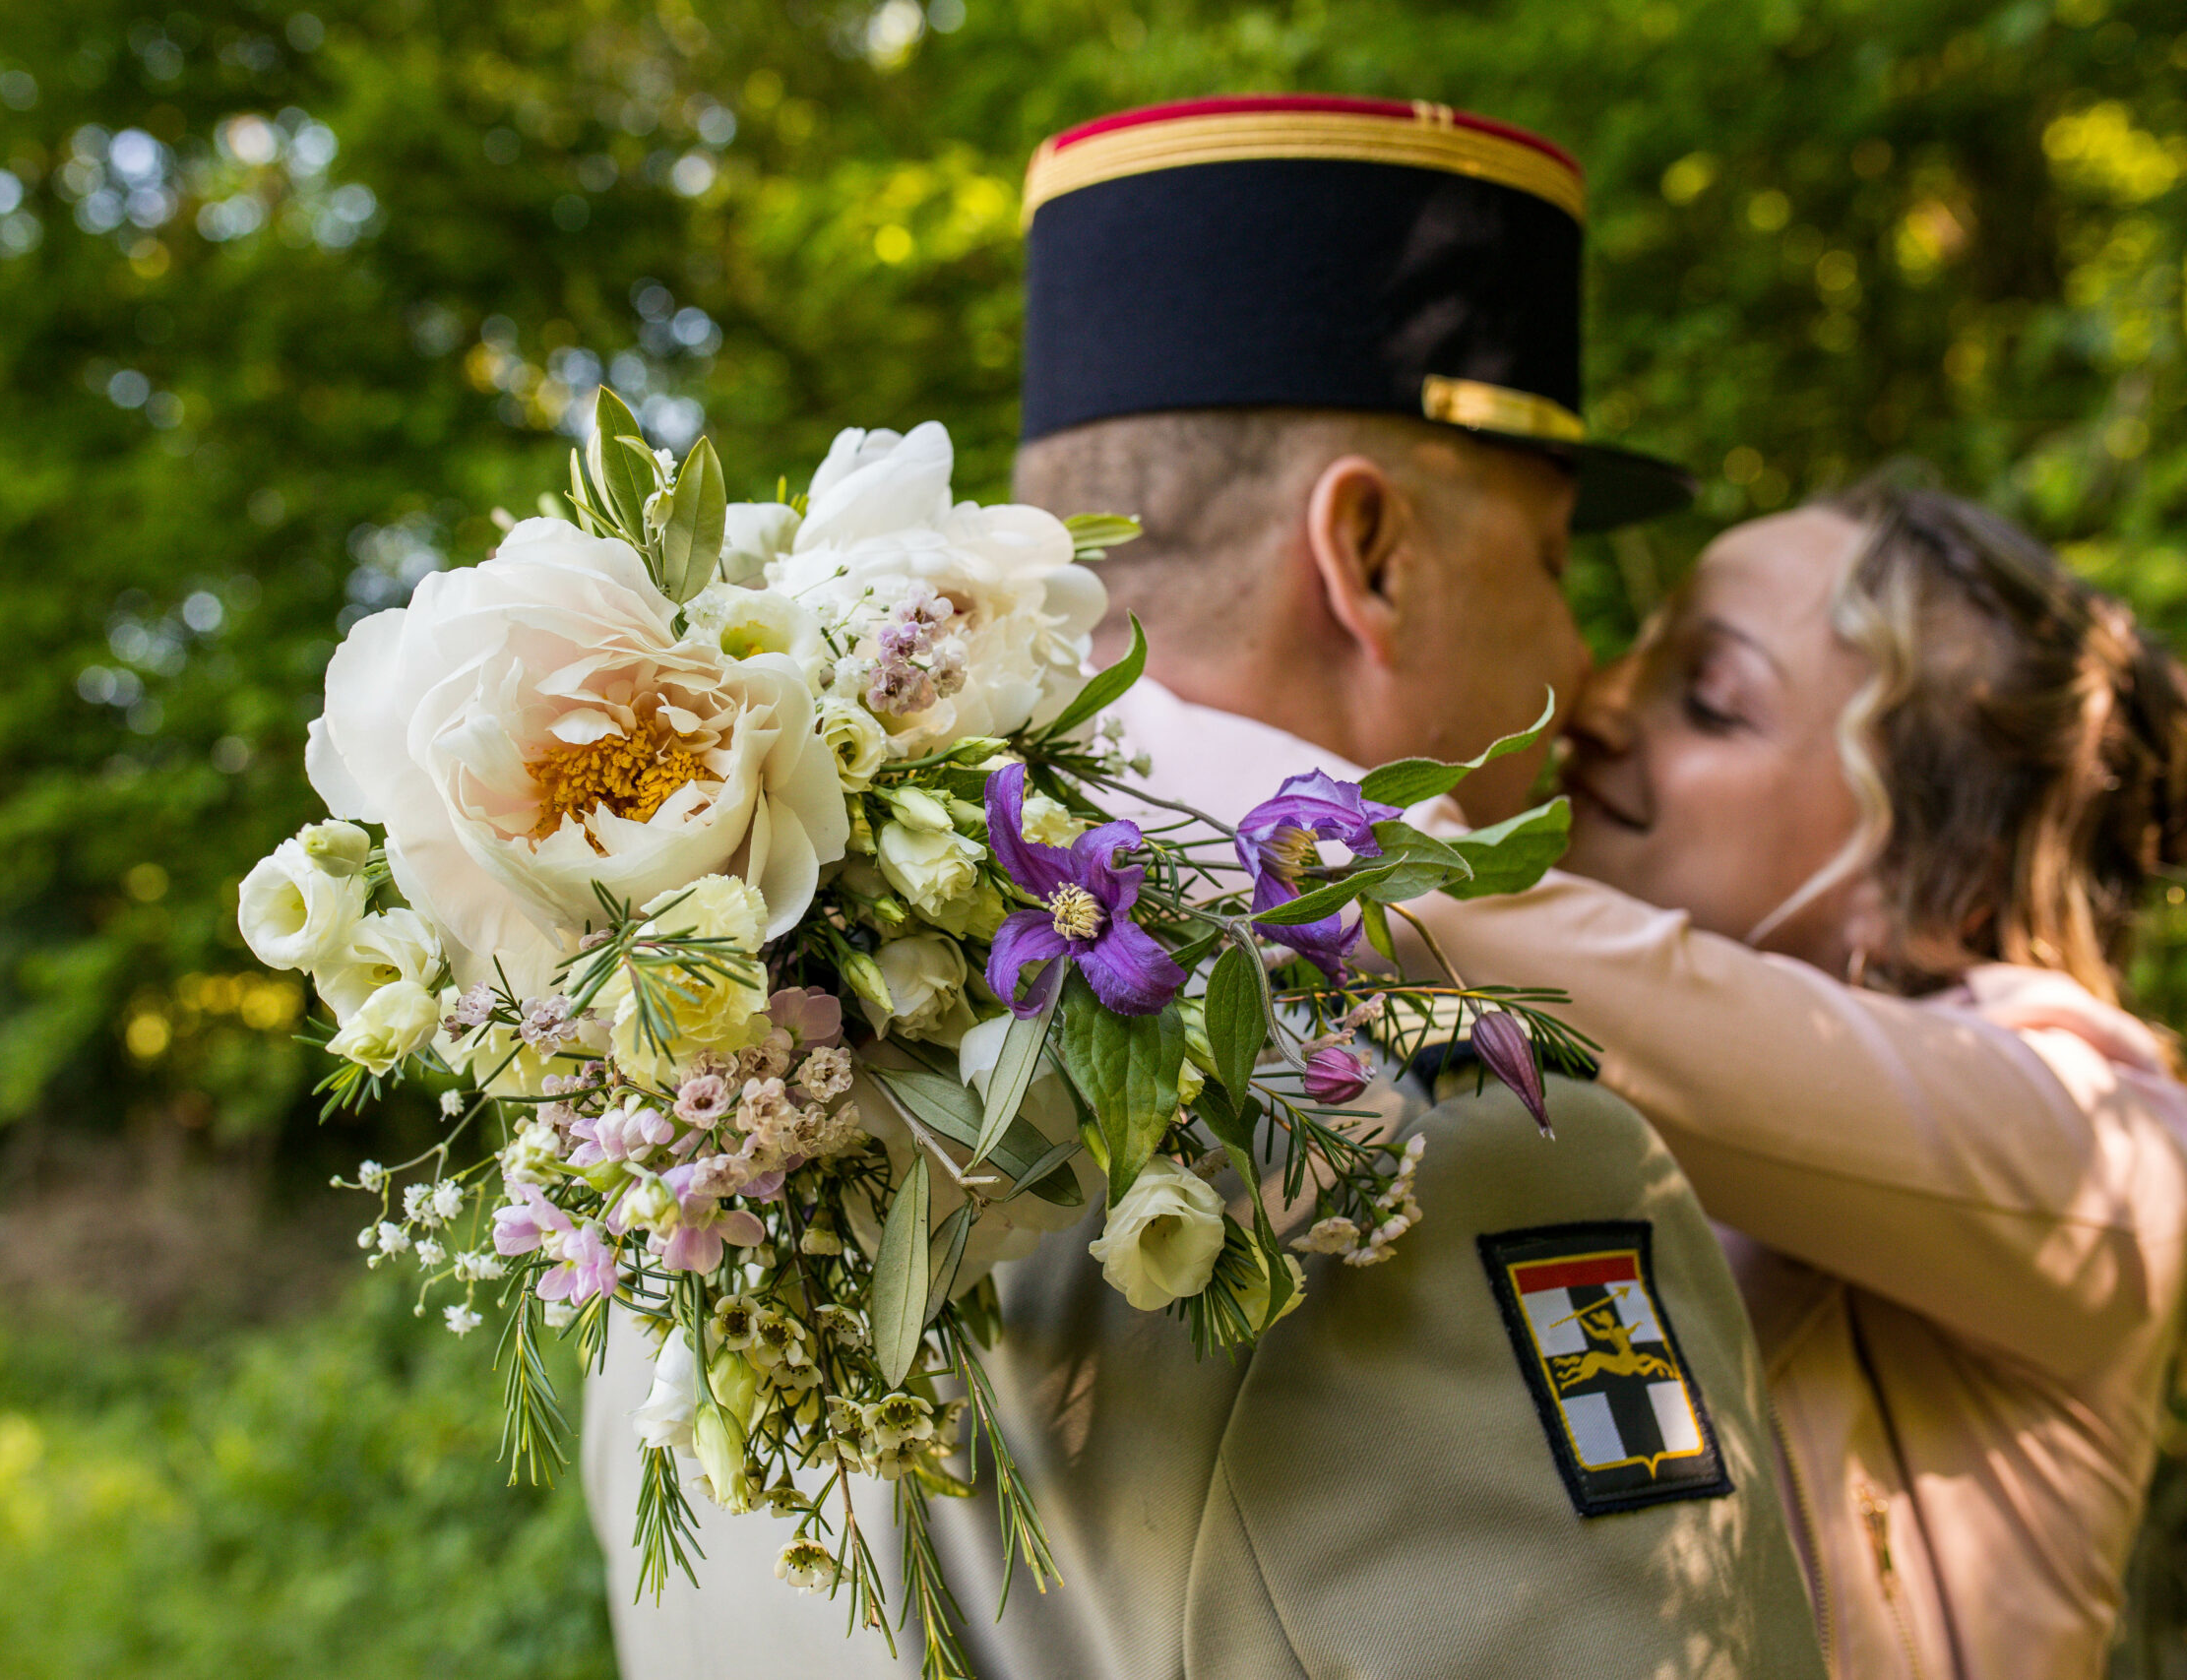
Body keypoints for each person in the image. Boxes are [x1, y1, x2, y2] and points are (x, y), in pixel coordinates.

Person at [587, 95, 1827, 1678]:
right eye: (1551, 556)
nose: (1582, 659)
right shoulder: (1435, 1138)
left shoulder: (683, 1125)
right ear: (1371, 554)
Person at [1401, 483, 2187, 1678]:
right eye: (1646, 649)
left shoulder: (2100, 1150)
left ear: (1934, 880)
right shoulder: (1561, 1098)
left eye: (1709, 701)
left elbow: (1517, 951)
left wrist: (1159, 773)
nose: (1600, 700)